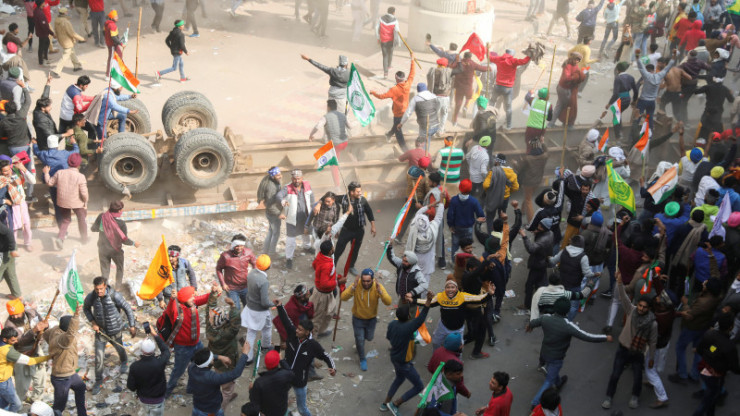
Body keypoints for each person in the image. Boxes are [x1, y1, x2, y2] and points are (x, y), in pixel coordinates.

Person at [527, 297, 611, 407]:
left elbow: (534, 322)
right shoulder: (568, 326)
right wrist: (605, 337)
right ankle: (535, 403)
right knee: (548, 381)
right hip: (557, 357)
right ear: (567, 311)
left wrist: (530, 326)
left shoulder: (546, 318)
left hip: (544, 353)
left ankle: (558, 382)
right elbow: (587, 336)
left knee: (552, 371)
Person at [601, 270, 658, 410]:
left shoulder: (653, 324)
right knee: (615, 375)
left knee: (637, 377)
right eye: (640, 306)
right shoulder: (631, 310)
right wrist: (620, 282)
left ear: (649, 309)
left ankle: (635, 397)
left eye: (645, 307)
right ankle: (609, 397)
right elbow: (623, 296)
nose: (641, 309)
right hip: (623, 348)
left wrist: (651, 357)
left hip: (638, 352)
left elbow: (652, 342)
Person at [275, 299, 337, 416]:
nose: (297, 331)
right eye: (297, 328)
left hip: (299, 381)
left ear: (307, 332)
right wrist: (279, 306)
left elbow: (325, 356)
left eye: (300, 330)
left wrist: (332, 368)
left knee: (302, 409)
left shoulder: (313, 345)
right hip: (285, 376)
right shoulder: (292, 334)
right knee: (279, 401)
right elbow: (285, 320)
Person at [380, 291, 434, 415]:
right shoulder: (408, 327)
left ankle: (385, 403)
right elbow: (421, 318)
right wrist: (428, 301)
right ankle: (395, 403)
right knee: (419, 386)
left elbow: (389, 337)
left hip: (394, 357)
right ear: (409, 316)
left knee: (399, 378)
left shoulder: (392, 324)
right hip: (404, 362)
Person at [84, 276, 136, 394]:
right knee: (99, 357)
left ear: (105, 286)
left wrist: (132, 325)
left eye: (101, 289)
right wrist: (93, 322)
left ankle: (124, 361)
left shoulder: (115, 296)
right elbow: (86, 309)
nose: (99, 292)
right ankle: (99, 381)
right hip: (101, 332)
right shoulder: (91, 297)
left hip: (115, 330)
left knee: (120, 348)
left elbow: (128, 308)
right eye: (97, 289)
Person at [163, 285, 212, 397]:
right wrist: (172, 299)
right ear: (185, 299)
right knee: (178, 371)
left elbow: (204, 298)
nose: (194, 298)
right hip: (183, 347)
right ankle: (167, 392)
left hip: (196, 343)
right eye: (191, 297)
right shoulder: (178, 310)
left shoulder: (192, 304)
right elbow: (170, 310)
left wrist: (214, 292)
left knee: (197, 365)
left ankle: (191, 388)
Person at [341, 268, 392, 371]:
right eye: (364, 281)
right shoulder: (357, 285)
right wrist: (353, 288)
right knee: (360, 340)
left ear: (372, 280)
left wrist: (380, 292)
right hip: (357, 319)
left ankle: (360, 341)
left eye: (368, 281)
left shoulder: (377, 287)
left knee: (369, 338)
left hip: (371, 319)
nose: (365, 283)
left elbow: (388, 302)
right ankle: (362, 358)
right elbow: (343, 297)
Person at [692, 311, 739, 416]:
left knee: (711, 397)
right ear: (731, 327)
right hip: (716, 375)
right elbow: (735, 368)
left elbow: (700, 349)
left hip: (704, 368)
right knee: (708, 399)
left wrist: (709, 354)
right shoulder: (730, 346)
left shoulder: (710, 334)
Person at [187, 340, 252, 416]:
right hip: (211, 411)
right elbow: (235, 374)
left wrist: (220, 357)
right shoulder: (212, 378)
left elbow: (205, 359)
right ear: (207, 365)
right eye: (212, 359)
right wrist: (245, 354)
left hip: (197, 407)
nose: (213, 358)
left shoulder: (192, 367)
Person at [44, 304, 86, 416]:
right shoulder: (63, 339)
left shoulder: (55, 330)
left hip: (70, 373)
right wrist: (76, 315)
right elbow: (71, 333)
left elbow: (46, 334)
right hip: (61, 378)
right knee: (59, 406)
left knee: (81, 387)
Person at [3, 300, 47, 402]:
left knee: (40, 376)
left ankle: (36, 399)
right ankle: (19, 402)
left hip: (36, 348)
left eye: (17, 314)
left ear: (23, 311)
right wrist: (34, 330)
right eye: (12, 315)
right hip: (20, 351)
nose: (15, 317)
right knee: (22, 383)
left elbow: (42, 323)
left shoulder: (32, 313)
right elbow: (19, 341)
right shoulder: (9, 325)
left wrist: (45, 325)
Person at [90, 201, 141, 289]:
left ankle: (104, 289)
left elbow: (93, 229)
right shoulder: (121, 223)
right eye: (121, 210)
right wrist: (134, 243)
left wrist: (104, 228)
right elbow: (124, 240)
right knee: (120, 268)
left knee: (105, 271)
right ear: (119, 211)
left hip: (102, 249)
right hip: (116, 250)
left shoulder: (102, 216)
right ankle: (117, 288)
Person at [206, 285, 241, 409]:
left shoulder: (210, 327)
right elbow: (235, 324)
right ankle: (220, 408)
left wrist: (214, 294)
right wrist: (233, 306)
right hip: (227, 365)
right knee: (227, 389)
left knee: (218, 382)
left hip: (217, 362)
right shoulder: (227, 333)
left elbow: (209, 308)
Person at [370, 54, 416, 150]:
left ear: (396, 78)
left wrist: (373, 93)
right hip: (406, 111)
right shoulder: (408, 84)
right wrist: (412, 60)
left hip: (398, 113)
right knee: (396, 126)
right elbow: (412, 72)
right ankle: (388, 134)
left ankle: (404, 149)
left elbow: (381, 96)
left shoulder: (394, 89)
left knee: (398, 131)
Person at [42, 153, 88, 250]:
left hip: (63, 202)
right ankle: (84, 239)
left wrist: (46, 173)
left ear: (68, 162)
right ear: (79, 164)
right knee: (81, 219)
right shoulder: (81, 176)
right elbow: (84, 193)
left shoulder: (60, 172)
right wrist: (85, 202)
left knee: (66, 220)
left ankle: (60, 238)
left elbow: (50, 183)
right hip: (77, 203)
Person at [0, 327, 50, 412]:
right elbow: (30, 361)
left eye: (16, 339)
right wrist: (49, 357)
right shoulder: (7, 351)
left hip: (5, 379)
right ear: (5, 339)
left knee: (4, 403)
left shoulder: (3, 345)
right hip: (3, 382)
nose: (16, 341)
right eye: (13, 340)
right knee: (17, 405)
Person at [333, 182, 376, 276]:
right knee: (339, 249)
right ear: (352, 192)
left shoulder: (363, 200)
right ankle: (332, 265)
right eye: (358, 191)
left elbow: (369, 212)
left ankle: (351, 266)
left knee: (355, 250)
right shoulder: (343, 199)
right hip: (346, 230)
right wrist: (319, 204)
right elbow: (330, 197)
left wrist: (373, 226)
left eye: (360, 191)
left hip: (359, 231)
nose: (360, 193)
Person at [276, 169, 315, 270]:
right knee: (291, 239)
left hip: (305, 215)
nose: (297, 181)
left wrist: (313, 208)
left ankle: (307, 247)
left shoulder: (307, 185)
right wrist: (283, 201)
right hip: (292, 218)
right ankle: (289, 258)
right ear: (292, 178)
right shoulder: (287, 188)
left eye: (298, 178)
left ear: (302, 178)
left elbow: (311, 197)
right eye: (294, 179)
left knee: (306, 233)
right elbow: (279, 196)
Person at [126, 328, 170, 416]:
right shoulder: (160, 362)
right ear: (153, 350)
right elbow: (166, 351)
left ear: (142, 351)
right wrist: (155, 335)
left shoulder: (135, 366)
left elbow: (131, 387)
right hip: (158, 399)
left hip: (144, 399)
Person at [241, 254, 273, 362]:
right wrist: (273, 304)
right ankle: (266, 345)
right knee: (267, 328)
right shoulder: (264, 281)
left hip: (250, 308)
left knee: (250, 333)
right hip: (260, 311)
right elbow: (264, 302)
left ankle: (247, 358)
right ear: (268, 266)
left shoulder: (251, 273)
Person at [489, 49, 531, 130]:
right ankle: (508, 125)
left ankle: (491, 118)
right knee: (508, 107)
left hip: (498, 86)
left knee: (493, 103)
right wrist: (530, 56)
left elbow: (490, 57)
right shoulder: (515, 64)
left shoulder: (499, 59)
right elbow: (524, 63)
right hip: (508, 89)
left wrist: (487, 49)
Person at [447, 179, 485, 264]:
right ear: (470, 189)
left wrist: (450, 225)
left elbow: (450, 215)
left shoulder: (454, 200)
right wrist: (476, 220)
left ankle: (455, 263)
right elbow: (481, 215)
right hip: (468, 228)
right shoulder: (474, 201)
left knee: (455, 245)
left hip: (456, 228)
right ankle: (467, 262)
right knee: (467, 246)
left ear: (460, 188)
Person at [519, 218, 554, 310]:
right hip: (544, 262)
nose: (538, 227)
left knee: (529, 285)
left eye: (540, 226)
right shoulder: (550, 233)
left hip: (538, 264)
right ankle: (544, 305)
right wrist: (537, 233)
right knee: (542, 284)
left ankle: (527, 305)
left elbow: (531, 249)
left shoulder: (542, 240)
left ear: (544, 228)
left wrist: (524, 236)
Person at [248, 350, 295, 416]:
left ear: (266, 363)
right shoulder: (284, 375)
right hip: (282, 410)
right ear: (277, 362)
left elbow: (254, 402)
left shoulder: (259, 382)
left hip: (267, 412)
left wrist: (251, 390)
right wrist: (281, 360)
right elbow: (290, 372)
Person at [216, 234, 256, 309]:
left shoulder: (248, 253)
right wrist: (223, 284)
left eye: (241, 246)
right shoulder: (225, 256)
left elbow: (255, 264)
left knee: (249, 308)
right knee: (235, 310)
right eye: (237, 246)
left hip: (245, 286)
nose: (239, 248)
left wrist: (254, 276)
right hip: (232, 289)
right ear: (233, 245)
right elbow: (218, 269)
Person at [450, 52, 490, 125]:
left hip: (459, 86)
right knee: (469, 97)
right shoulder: (473, 64)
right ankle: (466, 106)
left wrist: (456, 60)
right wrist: (488, 68)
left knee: (458, 104)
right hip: (468, 87)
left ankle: (455, 120)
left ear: (464, 56)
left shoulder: (459, 63)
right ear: (470, 57)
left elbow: (451, 67)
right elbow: (482, 68)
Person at [635, 50, 676, 122]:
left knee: (637, 117)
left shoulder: (646, 76)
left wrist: (637, 55)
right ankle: (649, 128)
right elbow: (669, 66)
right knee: (649, 118)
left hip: (643, 100)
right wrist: (674, 55)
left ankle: (635, 128)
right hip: (652, 101)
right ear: (653, 70)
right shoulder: (660, 75)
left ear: (647, 70)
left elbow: (640, 65)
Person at [272, 284, 314, 353]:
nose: (309, 293)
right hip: (294, 332)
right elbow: (282, 324)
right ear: (302, 298)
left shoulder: (305, 303)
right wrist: (283, 340)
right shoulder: (291, 308)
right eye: (307, 292)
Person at [550, 52, 586, 127]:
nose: (577, 61)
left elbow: (577, 73)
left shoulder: (575, 65)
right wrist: (575, 76)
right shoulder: (568, 66)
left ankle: (562, 122)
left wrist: (579, 74)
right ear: (573, 58)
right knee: (563, 106)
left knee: (564, 106)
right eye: (576, 59)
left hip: (566, 88)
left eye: (579, 60)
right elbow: (566, 78)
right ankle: (552, 123)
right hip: (564, 89)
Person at [482, 154, 518, 227]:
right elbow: (516, 187)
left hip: (493, 197)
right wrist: (507, 192)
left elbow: (486, 185)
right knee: (502, 216)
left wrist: (490, 192)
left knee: (490, 217)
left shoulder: (493, 171)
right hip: (504, 198)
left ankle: (490, 232)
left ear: (497, 161)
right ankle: (499, 231)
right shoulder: (511, 172)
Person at [51, 7, 85, 78]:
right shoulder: (66, 22)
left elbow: (55, 30)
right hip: (67, 41)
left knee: (72, 52)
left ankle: (77, 66)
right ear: (65, 13)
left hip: (61, 40)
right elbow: (72, 33)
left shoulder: (57, 20)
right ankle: (57, 71)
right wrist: (81, 38)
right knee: (65, 56)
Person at [257, 167, 283, 256]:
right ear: (273, 176)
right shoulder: (271, 187)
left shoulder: (270, 179)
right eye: (278, 175)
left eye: (280, 174)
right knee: (275, 233)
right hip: (273, 213)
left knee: (271, 231)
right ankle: (271, 253)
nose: (280, 176)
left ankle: (265, 251)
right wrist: (278, 214)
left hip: (272, 212)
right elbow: (269, 204)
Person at [426, 58, 452, 134]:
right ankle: (441, 130)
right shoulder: (448, 72)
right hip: (445, 97)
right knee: (444, 114)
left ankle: (433, 132)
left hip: (435, 97)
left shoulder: (433, 71)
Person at [376, 7, 399, 78]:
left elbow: (376, 28)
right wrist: (397, 41)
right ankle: (389, 65)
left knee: (385, 56)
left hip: (383, 40)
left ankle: (385, 72)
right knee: (390, 53)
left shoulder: (381, 18)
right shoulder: (395, 20)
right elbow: (397, 31)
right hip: (391, 40)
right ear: (393, 12)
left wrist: (378, 38)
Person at [32, 0, 54, 66]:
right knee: (42, 46)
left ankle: (45, 58)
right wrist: (52, 33)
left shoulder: (37, 10)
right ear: (41, 4)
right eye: (44, 2)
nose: (45, 3)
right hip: (42, 33)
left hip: (41, 32)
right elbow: (44, 26)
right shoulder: (40, 13)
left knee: (46, 43)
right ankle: (41, 62)